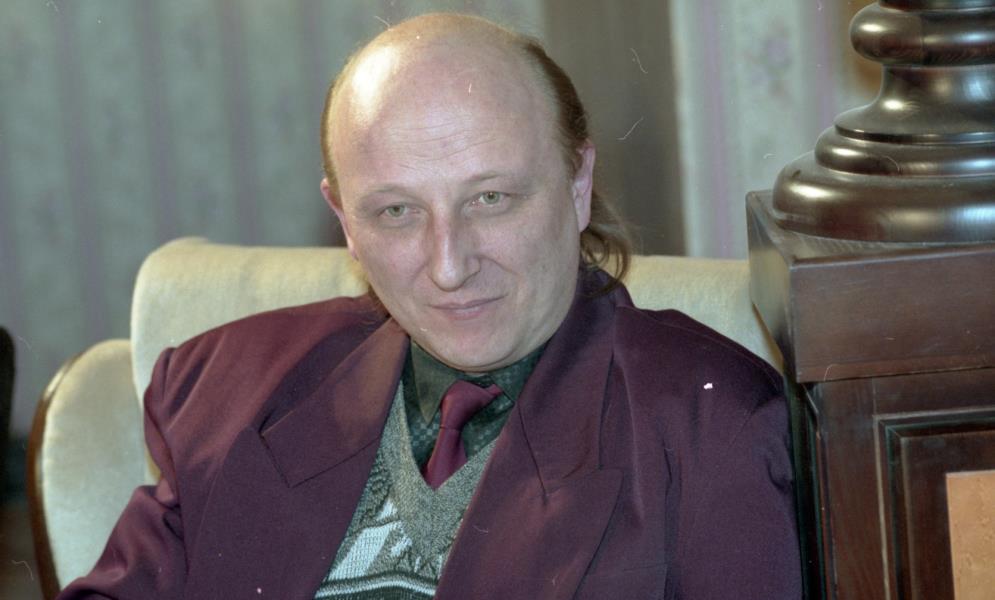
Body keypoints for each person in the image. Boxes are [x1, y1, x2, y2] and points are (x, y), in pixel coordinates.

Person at [60, 13, 800, 599]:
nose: (449, 267)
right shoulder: (224, 389)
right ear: (344, 221)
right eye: (395, 212)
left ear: (578, 184)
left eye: (491, 198)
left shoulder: (707, 427)